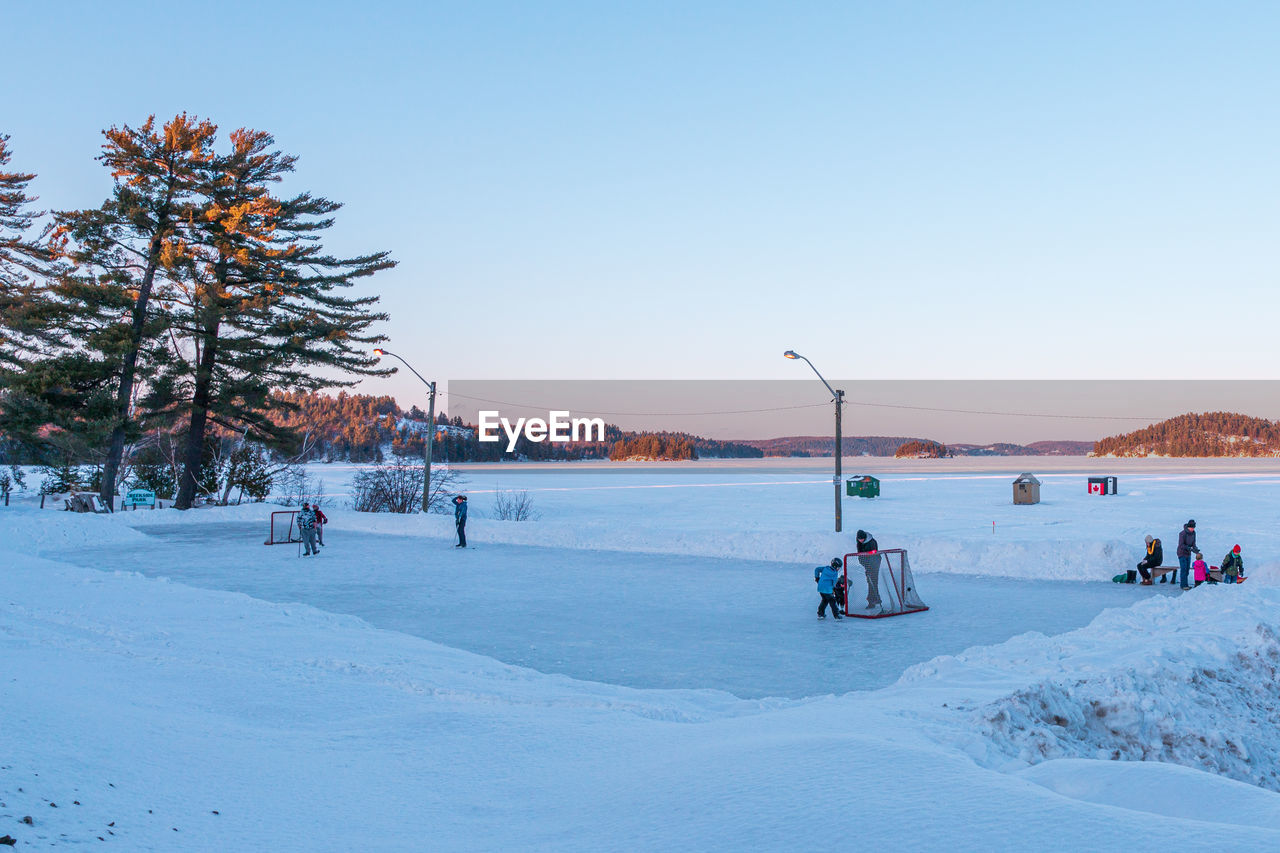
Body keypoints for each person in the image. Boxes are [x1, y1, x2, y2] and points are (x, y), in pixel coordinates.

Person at [856, 529, 883, 609]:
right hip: (867, 564)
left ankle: (873, 601)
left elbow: (874, 555)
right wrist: (865, 564)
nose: (860, 540)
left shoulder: (872, 542)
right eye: (859, 539)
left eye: (862, 539)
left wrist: (870, 567)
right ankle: (876, 599)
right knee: (871, 581)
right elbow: (860, 554)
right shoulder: (859, 543)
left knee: (872, 581)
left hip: (875, 563)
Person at [1173, 519, 1196, 587]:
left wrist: (1195, 548)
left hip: (1188, 553)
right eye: (1191, 528)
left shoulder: (1194, 533)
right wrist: (1188, 548)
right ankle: (1183, 585)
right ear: (1188, 527)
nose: (1192, 529)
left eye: (1193, 528)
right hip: (1181, 553)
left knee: (1187, 570)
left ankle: (1185, 584)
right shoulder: (1182, 533)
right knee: (1184, 569)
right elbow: (1181, 545)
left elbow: (1194, 543)